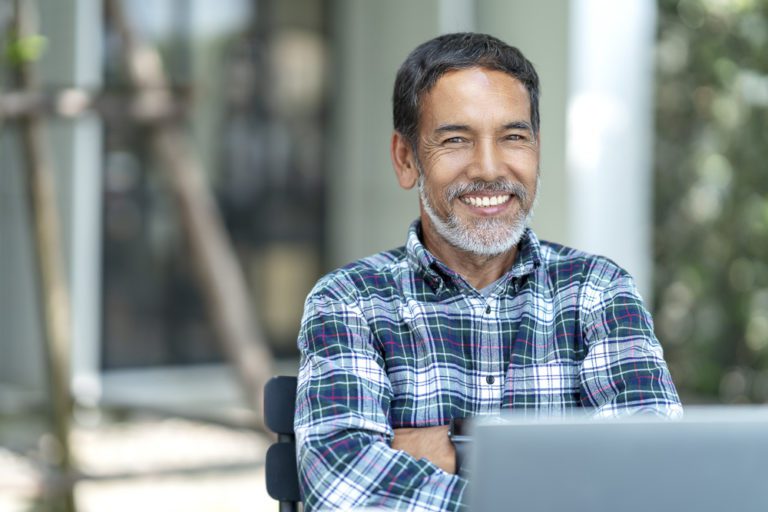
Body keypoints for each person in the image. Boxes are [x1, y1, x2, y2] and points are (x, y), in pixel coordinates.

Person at [293, 32, 682, 511]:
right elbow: (345, 487)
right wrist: (559, 476)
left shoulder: (598, 292)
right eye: (456, 139)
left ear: (537, 151)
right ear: (406, 159)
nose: (489, 167)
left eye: (513, 137)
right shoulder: (349, 301)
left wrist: (456, 446)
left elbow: (653, 475)